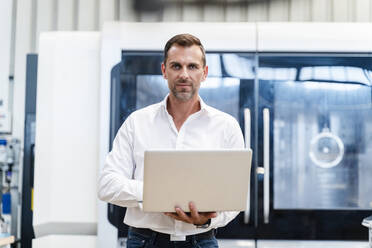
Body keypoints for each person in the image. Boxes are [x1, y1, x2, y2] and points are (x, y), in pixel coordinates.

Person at [98, 33, 244, 248]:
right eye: (176, 66)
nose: (184, 74)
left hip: (202, 240)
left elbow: (235, 198)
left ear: (204, 73)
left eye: (192, 67)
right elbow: (107, 185)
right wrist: (158, 193)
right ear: (164, 71)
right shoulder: (137, 122)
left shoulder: (226, 126)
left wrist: (207, 220)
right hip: (145, 241)